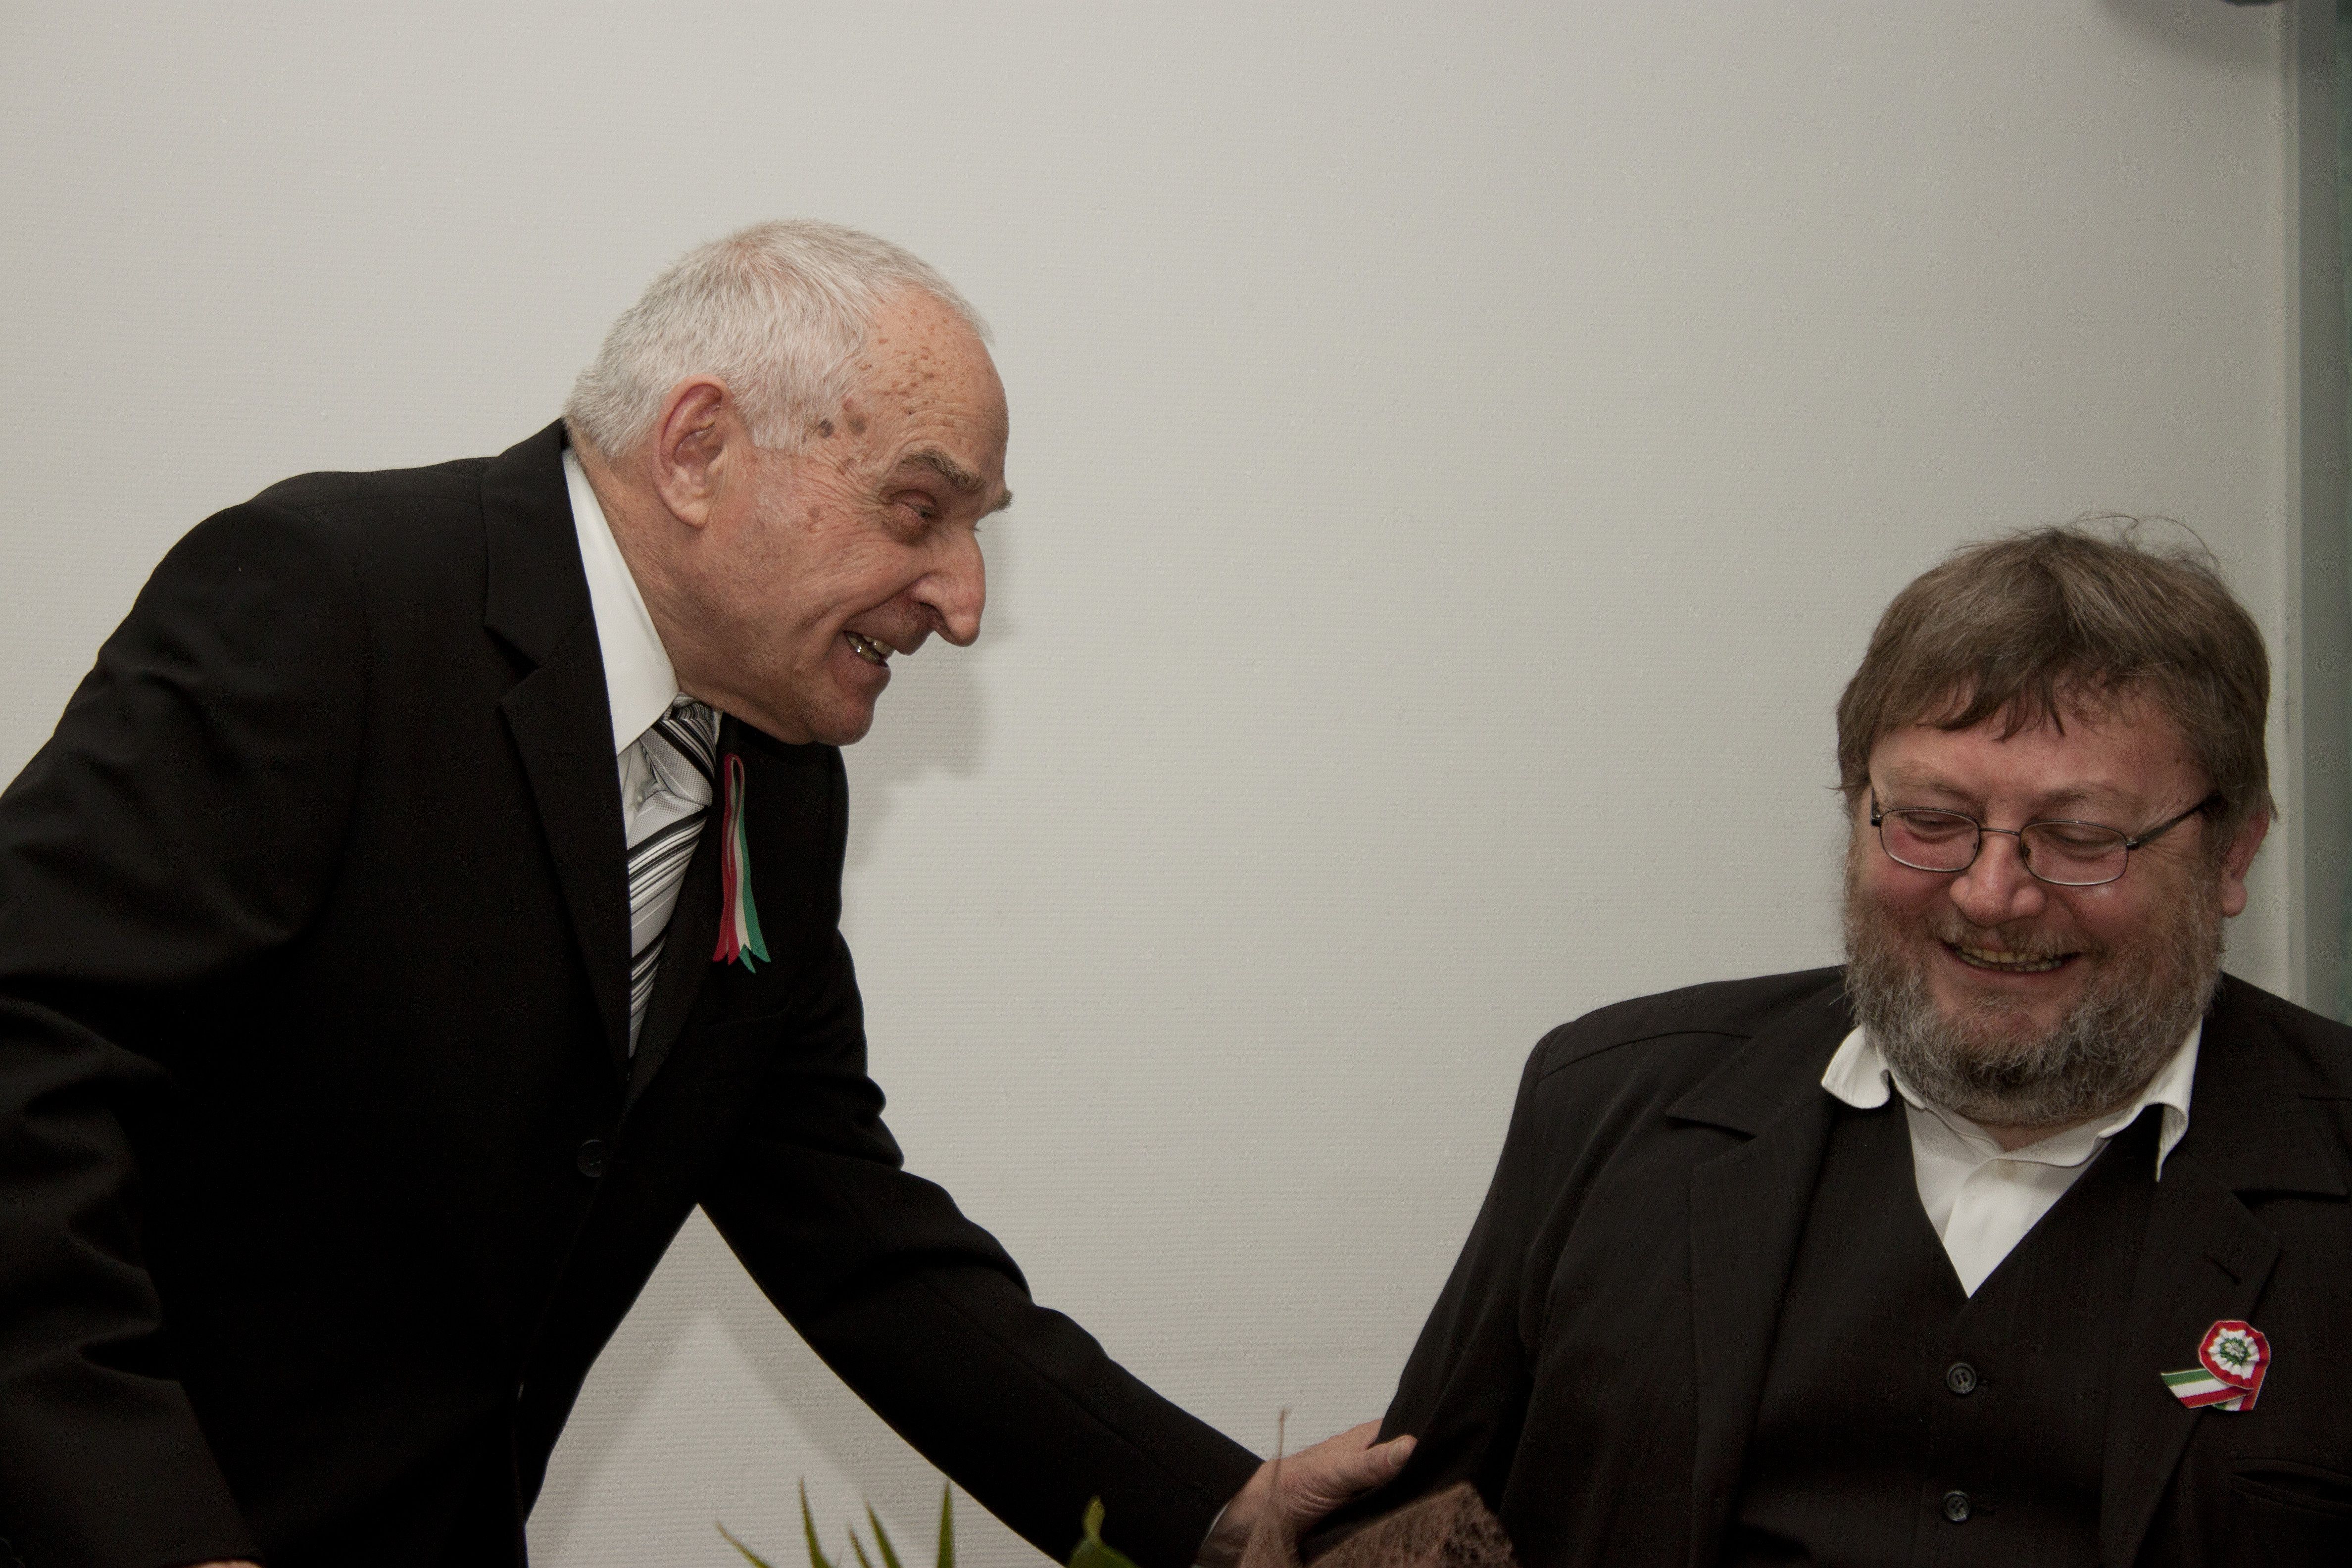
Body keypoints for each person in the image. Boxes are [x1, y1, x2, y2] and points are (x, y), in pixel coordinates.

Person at [0, 222, 1406, 1568]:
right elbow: (25, 1047)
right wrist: (152, 1537)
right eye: (919, 511)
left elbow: (842, 1219)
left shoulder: (777, 779)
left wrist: (1212, 1510)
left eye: (976, 531)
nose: (964, 602)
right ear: (697, 451)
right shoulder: (331, 596)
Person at [1333, 528, 2351, 1567]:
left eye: (2081, 837)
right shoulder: (1608, 1103)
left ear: (2233, 854)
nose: (1991, 893)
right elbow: (1413, 1535)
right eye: (1931, 821)